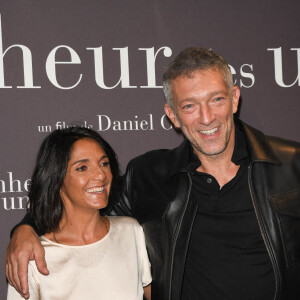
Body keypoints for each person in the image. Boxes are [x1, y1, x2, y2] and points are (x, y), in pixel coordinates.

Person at [6, 47, 300, 300]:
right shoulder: (149, 176)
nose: (207, 117)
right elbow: (81, 198)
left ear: (235, 98)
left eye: (217, 100)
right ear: (172, 115)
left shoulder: (292, 165)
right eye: (189, 106)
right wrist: (25, 228)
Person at [6, 127, 151, 300]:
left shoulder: (130, 231)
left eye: (104, 163)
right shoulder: (33, 257)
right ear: (57, 180)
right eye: (82, 168)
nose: (100, 175)